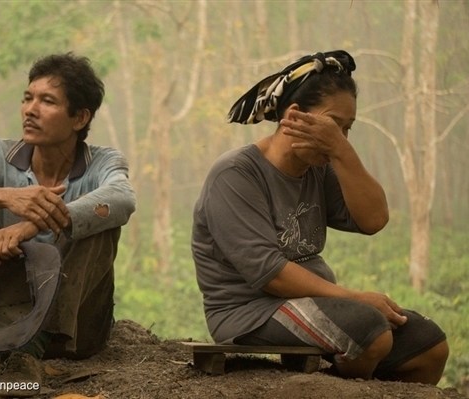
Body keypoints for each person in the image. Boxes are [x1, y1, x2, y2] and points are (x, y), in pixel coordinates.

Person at [191, 50, 448, 384]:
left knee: (431, 346)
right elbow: (270, 274)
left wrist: (342, 151)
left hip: (312, 304)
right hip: (249, 312)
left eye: (347, 129)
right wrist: (356, 298)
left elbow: (374, 220)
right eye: (333, 126)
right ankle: (341, 387)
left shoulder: (320, 167)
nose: (339, 137)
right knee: (369, 332)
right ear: (295, 116)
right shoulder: (236, 174)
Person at [0, 52, 136, 398]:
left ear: (79, 118)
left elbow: (123, 199)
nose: (30, 110)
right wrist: (3, 197)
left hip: (72, 330)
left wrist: (30, 225)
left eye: (47, 101)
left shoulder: (103, 162)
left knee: (100, 219)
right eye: (27, 98)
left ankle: (28, 355)